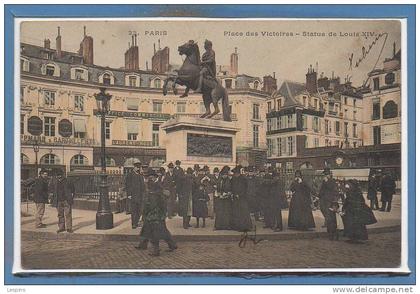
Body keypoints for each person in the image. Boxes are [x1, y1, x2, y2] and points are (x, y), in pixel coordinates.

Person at [135, 168, 177, 256]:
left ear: (153, 177)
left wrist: (146, 211)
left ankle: (157, 250)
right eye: (147, 177)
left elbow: (155, 202)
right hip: (153, 213)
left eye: (149, 177)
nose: (147, 179)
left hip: (155, 214)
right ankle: (143, 244)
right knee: (147, 229)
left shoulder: (155, 187)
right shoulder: (151, 186)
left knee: (155, 232)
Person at [318, 168, 339, 239]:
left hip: (330, 199)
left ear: (329, 174)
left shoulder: (332, 181)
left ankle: (328, 224)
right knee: (322, 209)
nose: (325, 175)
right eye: (325, 174)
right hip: (323, 199)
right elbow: (322, 189)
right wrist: (318, 196)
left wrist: (327, 182)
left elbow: (333, 189)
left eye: (326, 174)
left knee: (329, 212)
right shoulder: (324, 181)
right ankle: (327, 221)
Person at [231, 165, 252, 232]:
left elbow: (245, 188)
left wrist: (240, 194)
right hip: (236, 198)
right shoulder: (234, 179)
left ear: (238, 173)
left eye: (236, 173)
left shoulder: (243, 179)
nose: (235, 175)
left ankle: (245, 227)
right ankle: (238, 226)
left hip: (243, 198)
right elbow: (233, 188)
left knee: (243, 212)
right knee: (237, 212)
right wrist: (234, 194)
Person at [125, 162, 145, 229]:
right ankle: (134, 224)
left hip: (140, 195)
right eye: (137, 167)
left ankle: (136, 222)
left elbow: (143, 186)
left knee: (139, 210)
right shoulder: (130, 175)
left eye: (139, 167)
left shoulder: (140, 175)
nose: (138, 168)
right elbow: (127, 185)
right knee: (134, 210)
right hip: (133, 195)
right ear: (134, 167)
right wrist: (129, 194)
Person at [214, 165, 232, 230]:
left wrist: (227, 194)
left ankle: (227, 226)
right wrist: (219, 194)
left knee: (227, 212)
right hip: (220, 198)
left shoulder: (229, 181)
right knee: (220, 212)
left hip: (227, 199)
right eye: (223, 175)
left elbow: (231, 189)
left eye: (226, 175)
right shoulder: (219, 181)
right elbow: (217, 189)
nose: (224, 176)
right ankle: (218, 226)